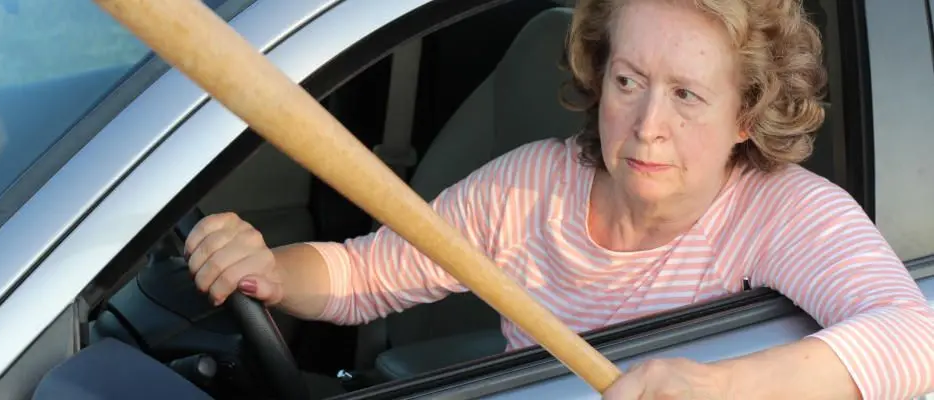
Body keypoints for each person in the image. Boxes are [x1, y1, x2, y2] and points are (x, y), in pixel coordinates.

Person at [185, 0, 934, 398]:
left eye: (687, 96)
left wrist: (723, 385)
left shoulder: (782, 211)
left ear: (745, 115)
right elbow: (365, 274)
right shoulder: (529, 187)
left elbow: (916, 338)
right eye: (628, 81)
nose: (648, 128)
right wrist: (274, 272)